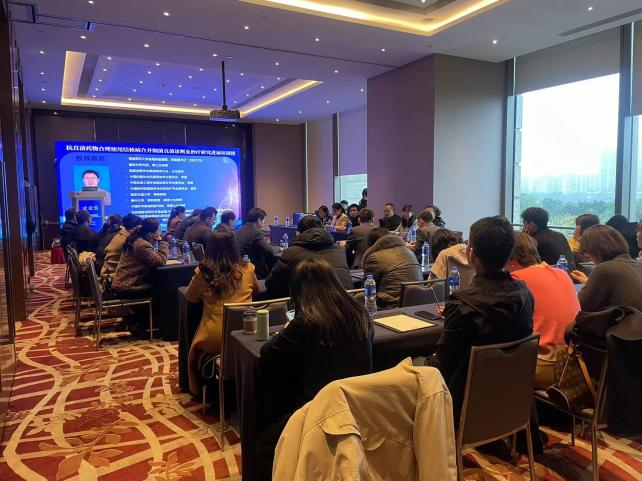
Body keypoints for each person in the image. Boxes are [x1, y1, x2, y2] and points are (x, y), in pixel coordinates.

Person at [256, 258, 373, 478]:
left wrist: (287, 329)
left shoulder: (306, 322)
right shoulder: (360, 314)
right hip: (359, 407)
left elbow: (267, 353)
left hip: (318, 412)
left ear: (299, 292)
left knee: (264, 444)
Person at [425, 216, 534, 419]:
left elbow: (442, 366)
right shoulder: (525, 294)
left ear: (471, 253)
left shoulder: (463, 305)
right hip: (512, 399)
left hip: (462, 405)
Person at [185, 231, 259, 395]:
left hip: (215, 338)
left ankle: (204, 388)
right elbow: (257, 290)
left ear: (210, 248)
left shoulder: (203, 272)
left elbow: (190, 297)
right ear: (234, 246)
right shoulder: (248, 269)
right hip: (247, 334)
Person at [506, 232, 580, 389]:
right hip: (573, 362)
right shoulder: (562, 273)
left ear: (512, 261)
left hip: (544, 366)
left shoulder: (516, 279)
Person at [265, 215, 353, 298]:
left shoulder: (291, 252)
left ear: (299, 233)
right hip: (346, 301)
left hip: (311, 305)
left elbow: (271, 283)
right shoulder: (339, 250)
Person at [111, 218, 168, 337]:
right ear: (150, 234)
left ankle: (144, 321)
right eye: (159, 230)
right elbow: (160, 262)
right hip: (127, 286)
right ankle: (137, 322)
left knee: (161, 288)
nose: (161, 233)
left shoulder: (138, 240)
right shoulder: (141, 245)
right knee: (164, 292)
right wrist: (163, 243)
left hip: (126, 283)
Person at [570, 225, 642, 312]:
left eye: (586, 252)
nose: (588, 257)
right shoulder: (637, 264)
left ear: (594, 250)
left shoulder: (604, 269)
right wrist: (589, 283)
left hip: (622, 320)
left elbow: (579, 306)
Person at [362, 227, 422, 309]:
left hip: (391, 305)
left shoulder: (375, 256)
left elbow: (367, 287)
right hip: (418, 301)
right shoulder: (409, 251)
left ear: (371, 244)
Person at [521, 207, 575, 271]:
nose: (523, 227)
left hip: (550, 275)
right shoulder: (560, 235)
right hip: (570, 274)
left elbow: (523, 262)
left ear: (531, 225)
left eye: (524, 223)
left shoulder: (534, 241)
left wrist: (524, 237)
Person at [236, 207, 279, 279]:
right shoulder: (256, 233)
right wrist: (279, 248)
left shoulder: (237, 231)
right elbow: (270, 250)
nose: (264, 224)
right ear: (259, 220)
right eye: (264, 221)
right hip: (254, 272)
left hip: (239, 270)